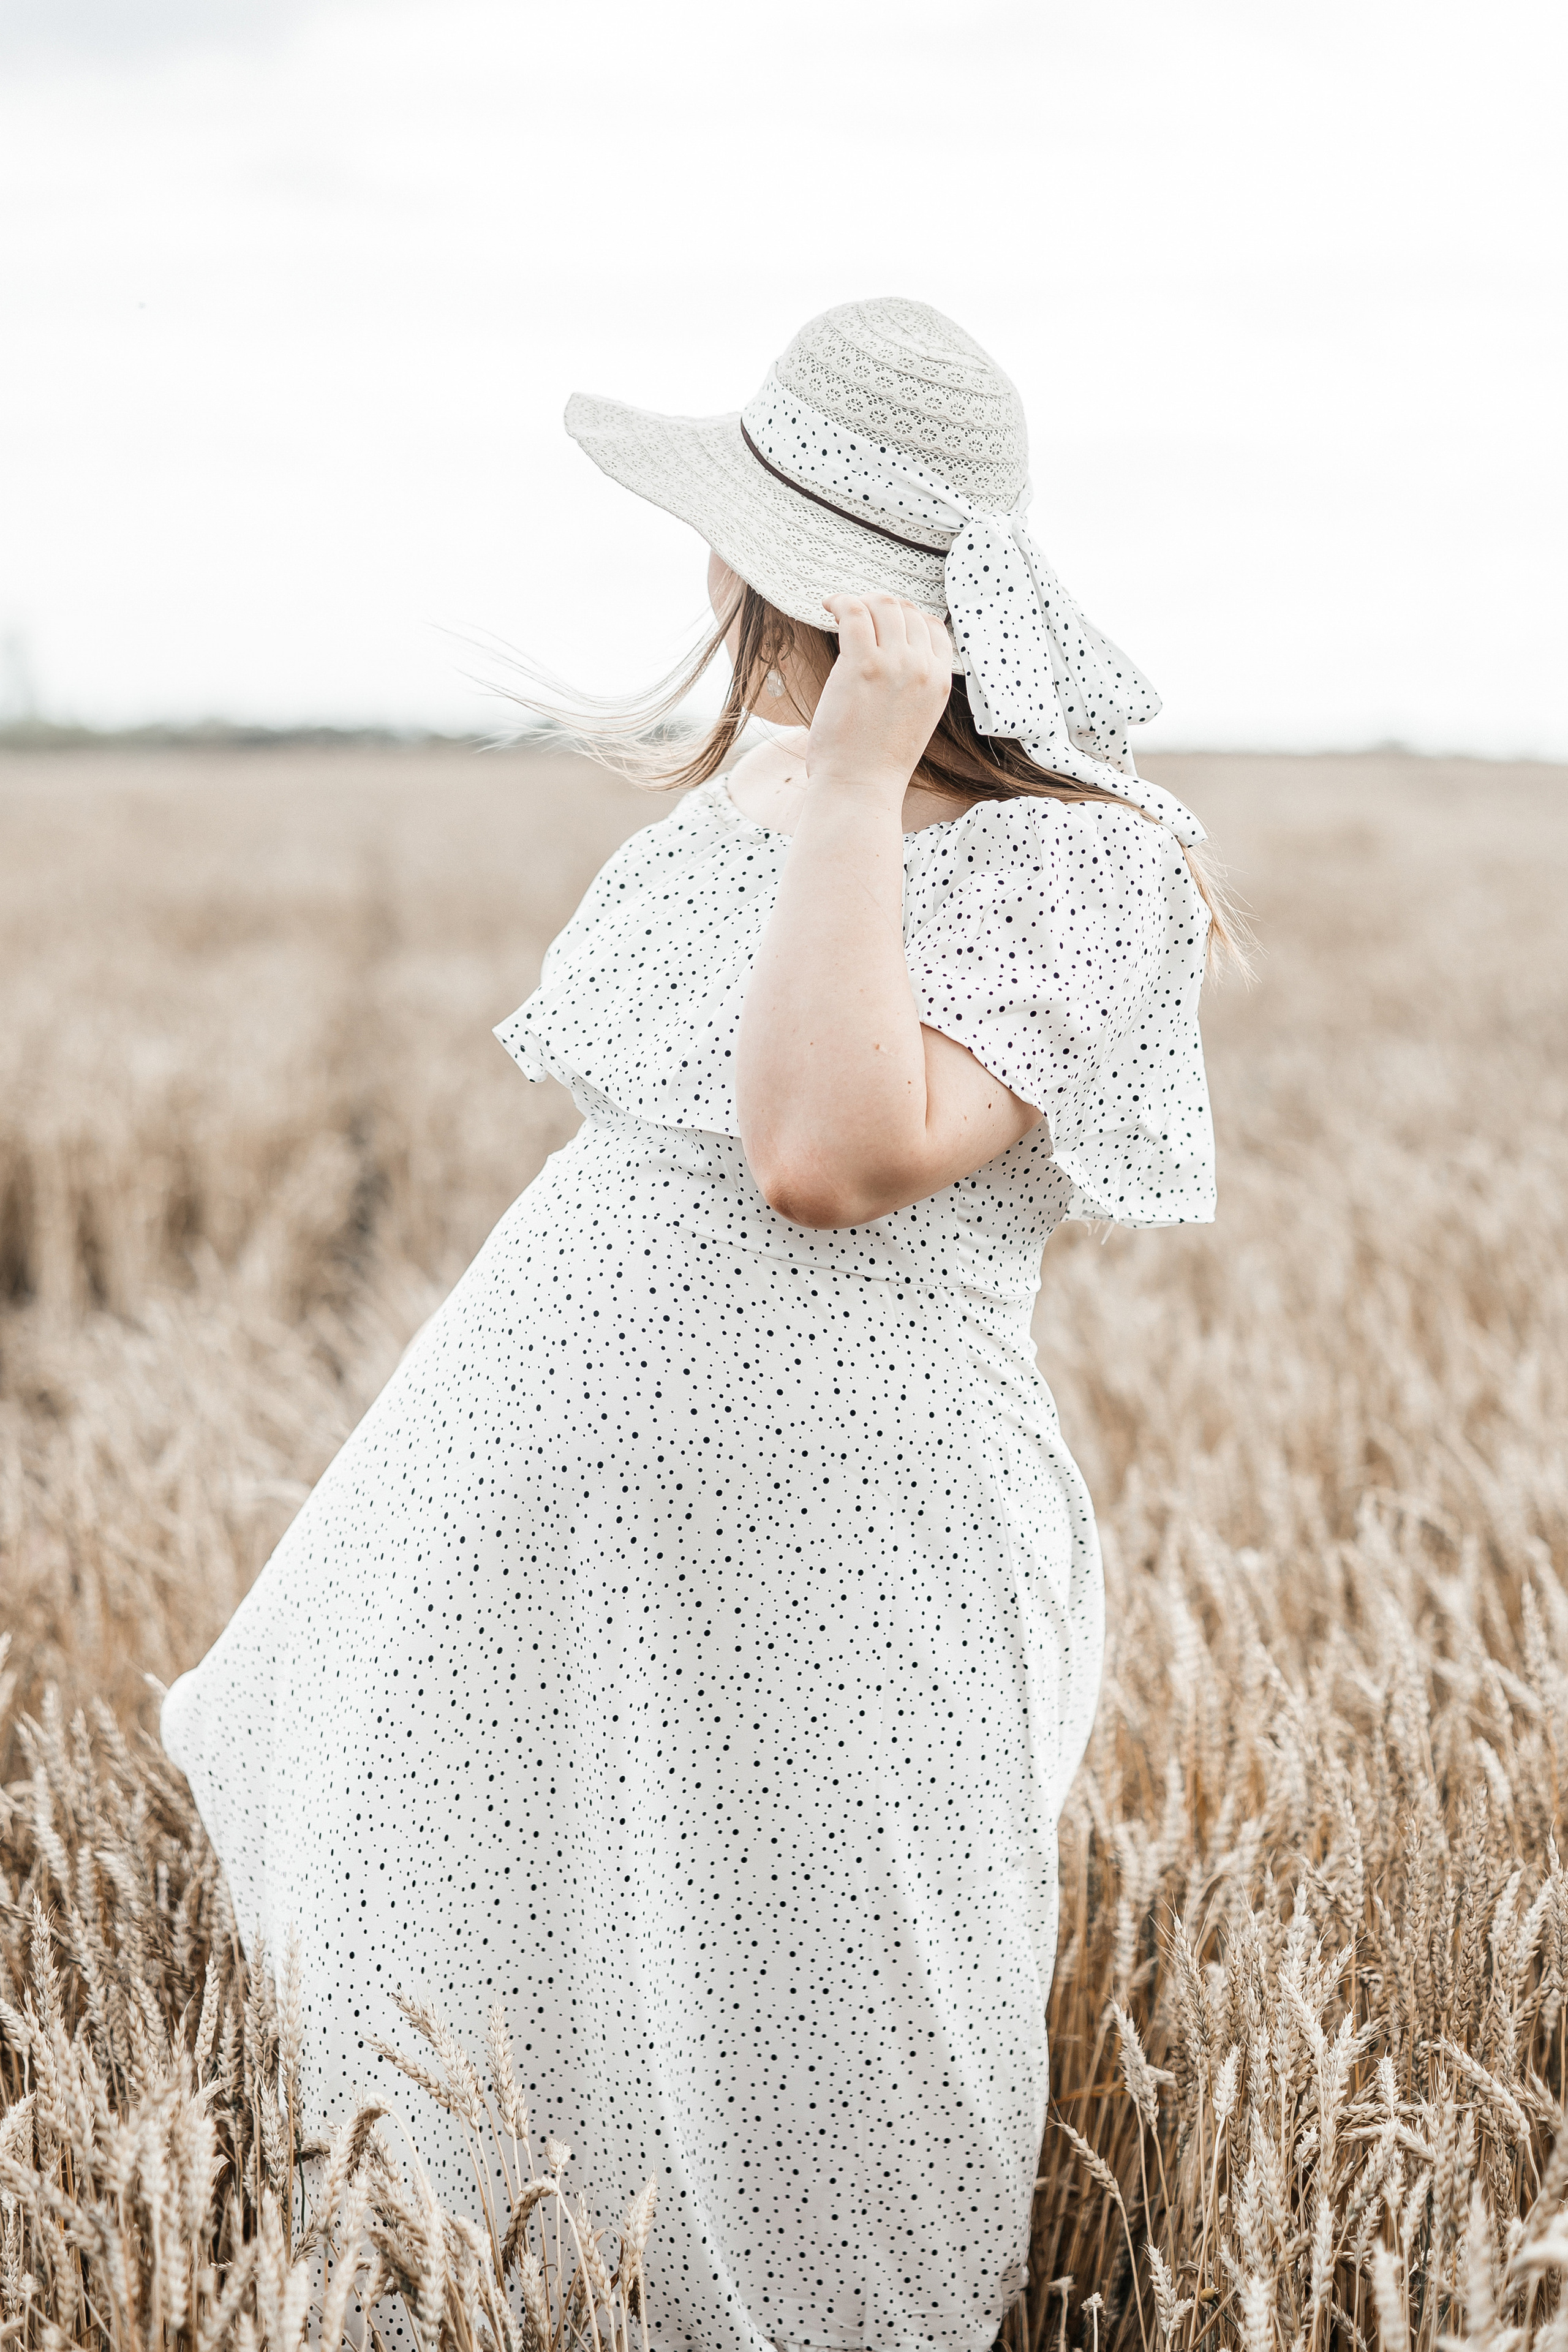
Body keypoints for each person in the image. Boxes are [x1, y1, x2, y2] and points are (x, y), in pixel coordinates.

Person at [162, 295, 1221, 2352]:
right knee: (505, 2075)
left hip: (838, 1578)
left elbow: (827, 1153)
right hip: (528, 1572)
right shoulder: (709, 826)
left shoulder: (1087, 862)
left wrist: (855, 792)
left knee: (844, 2084)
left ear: (794, 571)